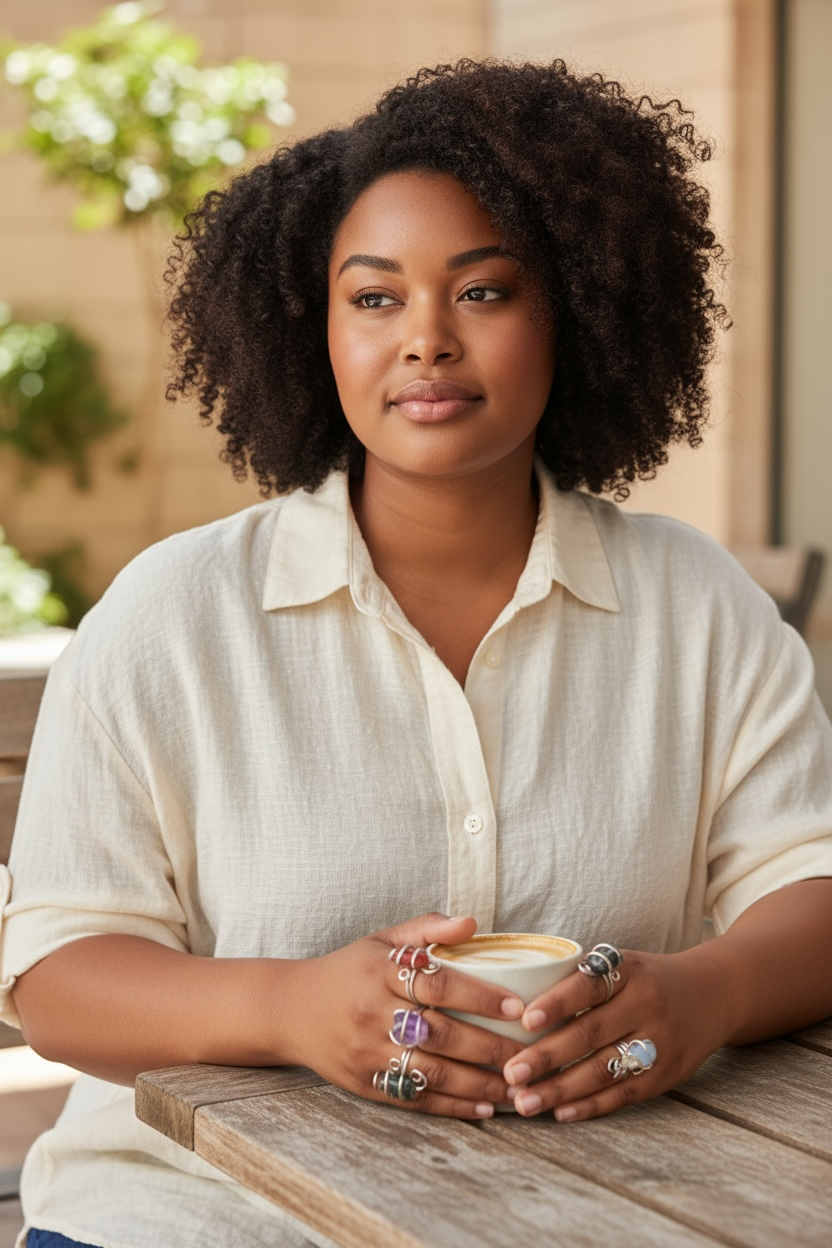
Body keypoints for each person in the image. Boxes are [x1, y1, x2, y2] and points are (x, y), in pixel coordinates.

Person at [1, 57, 831, 1248]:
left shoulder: (696, 605)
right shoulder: (172, 615)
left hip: (590, 1210)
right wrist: (291, 1009)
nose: (427, 340)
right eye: (374, 298)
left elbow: (812, 888)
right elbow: (56, 979)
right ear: (314, 328)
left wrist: (708, 993)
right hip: (193, 1214)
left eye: (484, 291)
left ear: (577, 310)